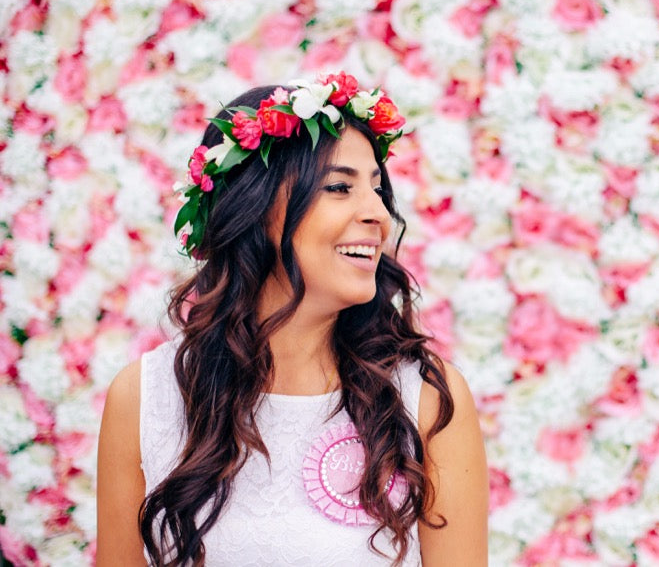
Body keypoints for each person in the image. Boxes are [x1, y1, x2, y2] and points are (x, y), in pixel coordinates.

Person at [96, 73, 488, 566]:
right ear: (256, 209)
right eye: (340, 187)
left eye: (377, 189)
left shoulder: (425, 398)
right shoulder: (145, 399)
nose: (378, 215)